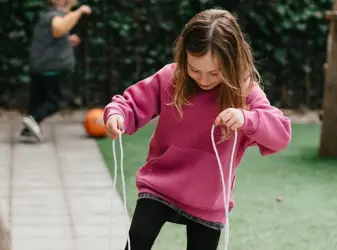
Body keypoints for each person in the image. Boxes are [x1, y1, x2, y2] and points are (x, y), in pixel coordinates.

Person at [104, 8, 292, 250]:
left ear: (233, 62)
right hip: (160, 183)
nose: (203, 79)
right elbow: (130, 103)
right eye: (195, 70)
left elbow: (281, 135)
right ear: (184, 57)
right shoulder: (171, 77)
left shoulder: (244, 90)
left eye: (215, 72)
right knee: (138, 237)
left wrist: (247, 119)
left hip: (208, 198)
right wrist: (117, 115)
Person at [20, 0, 91, 143]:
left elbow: (52, 37)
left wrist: (68, 39)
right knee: (57, 100)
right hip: (51, 67)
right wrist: (79, 11)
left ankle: (28, 131)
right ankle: (33, 119)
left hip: (40, 65)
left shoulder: (49, 15)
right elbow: (58, 29)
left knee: (38, 100)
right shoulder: (54, 15)